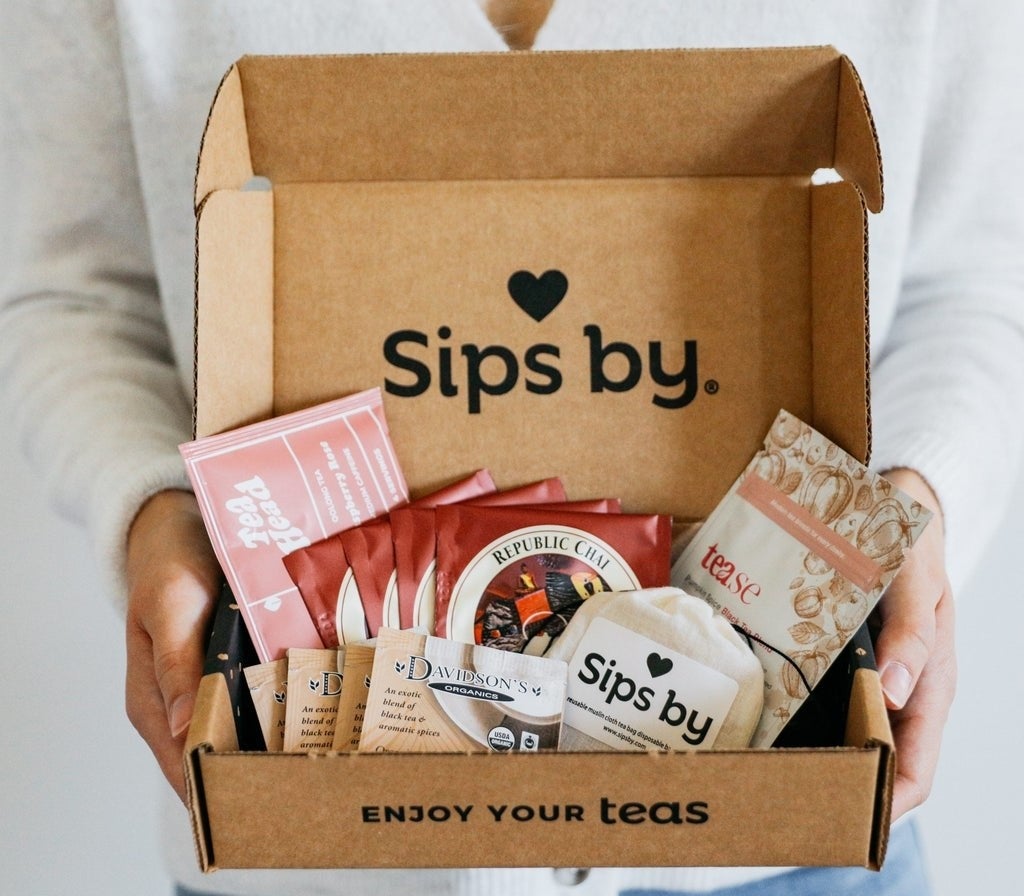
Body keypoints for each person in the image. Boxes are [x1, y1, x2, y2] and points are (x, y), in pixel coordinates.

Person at [2, 1, 1022, 894]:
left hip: (790, 848)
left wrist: (914, 504)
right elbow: (74, 298)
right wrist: (150, 509)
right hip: (308, 850)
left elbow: (970, 284)